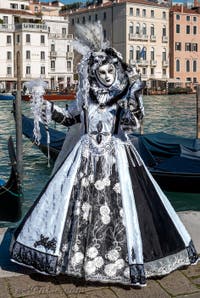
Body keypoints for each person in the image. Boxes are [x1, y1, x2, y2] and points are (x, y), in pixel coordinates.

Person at [10, 22, 198, 287]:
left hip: (118, 157)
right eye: (102, 72)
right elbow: (67, 120)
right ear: (94, 74)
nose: (108, 75)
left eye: (111, 70)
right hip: (84, 158)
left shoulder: (121, 99)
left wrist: (132, 99)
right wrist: (44, 104)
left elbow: (132, 124)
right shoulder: (85, 102)